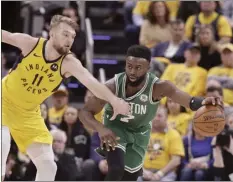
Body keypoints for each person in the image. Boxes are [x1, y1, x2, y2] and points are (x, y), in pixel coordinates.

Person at [1, 15, 130, 181]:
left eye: (73, 36)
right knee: (2, 143)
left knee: (48, 166)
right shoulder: (31, 44)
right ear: (52, 33)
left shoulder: (69, 62)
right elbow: (4, 35)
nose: (69, 40)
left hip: (28, 113)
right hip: (3, 99)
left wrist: (115, 101)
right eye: (65, 34)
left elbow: (92, 83)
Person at [79, 45, 222, 181]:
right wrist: (101, 129)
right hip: (115, 130)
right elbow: (85, 112)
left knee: (130, 176)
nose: (133, 72)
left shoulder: (159, 87)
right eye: (129, 67)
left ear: (148, 67)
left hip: (139, 135)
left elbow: (188, 101)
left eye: (138, 67)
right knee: (116, 169)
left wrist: (203, 102)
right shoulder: (113, 86)